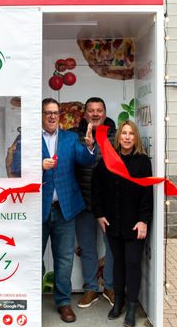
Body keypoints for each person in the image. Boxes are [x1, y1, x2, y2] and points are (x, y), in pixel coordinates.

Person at [92, 120, 153, 327]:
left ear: (136, 138)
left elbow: (147, 194)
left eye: (131, 134)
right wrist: (99, 215)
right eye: (124, 133)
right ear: (118, 137)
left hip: (135, 224)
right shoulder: (108, 159)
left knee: (133, 264)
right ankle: (118, 303)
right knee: (117, 263)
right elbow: (96, 188)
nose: (127, 137)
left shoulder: (143, 161)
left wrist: (143, 221)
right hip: (112, 223)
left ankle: (132, 307)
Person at [42, 98, 96, 323]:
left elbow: (85, 160)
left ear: (59, 115)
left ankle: (63, 302)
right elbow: (16, 167)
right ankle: (28, 300)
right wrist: (38, 166)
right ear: (42, 116)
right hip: (38, 209)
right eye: (47, 113)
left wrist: (90, 146)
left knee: (64, 259)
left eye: (55, 112)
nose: (52, 116)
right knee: (33, 257)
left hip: (65, 209)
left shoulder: (70, 137)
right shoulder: (28, 140)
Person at [70, 97, 115, 308]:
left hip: (109, 204)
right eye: (91, 111)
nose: (95, 114)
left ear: (104, 113)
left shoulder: (116, 135)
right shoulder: (73, 136)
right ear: (85, 114)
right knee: (88, 248)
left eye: (99, 110)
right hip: (83, 202)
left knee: (112, 247)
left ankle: (110, 286)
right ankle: (90, 288)